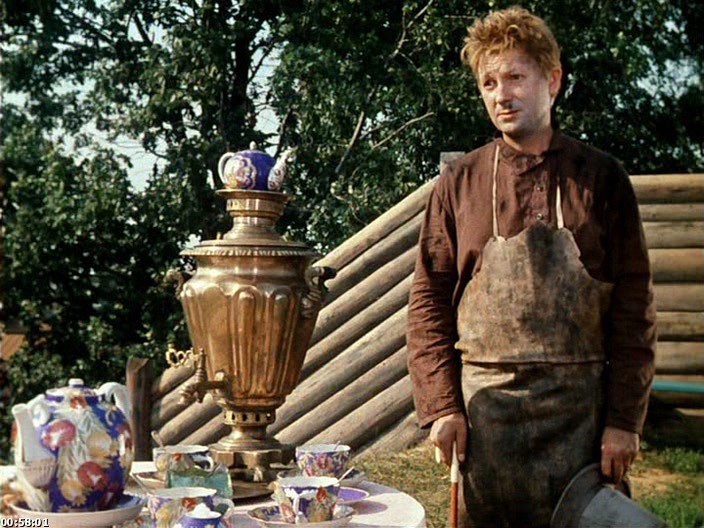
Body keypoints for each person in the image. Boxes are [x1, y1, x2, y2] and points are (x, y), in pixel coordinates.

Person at [406, 6, 656, 527]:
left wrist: (623, 422)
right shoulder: (459, 183)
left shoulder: (602, 179)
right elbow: (428, 302)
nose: (502, 95)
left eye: (516, 77)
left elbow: (635, 312)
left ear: (553, 80)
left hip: (583, 427)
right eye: (489, 83)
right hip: (485, 427)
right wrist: (442, 407)